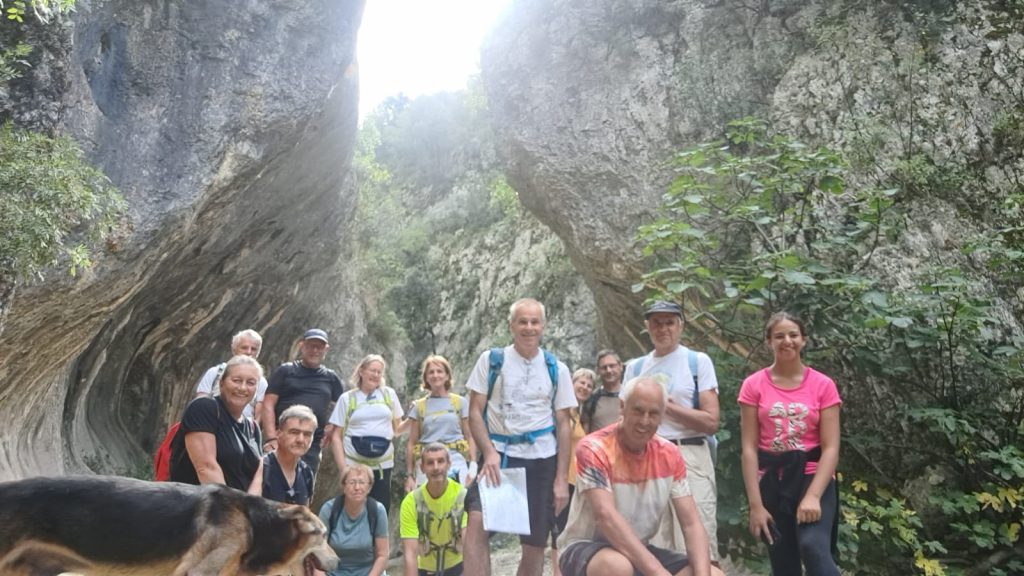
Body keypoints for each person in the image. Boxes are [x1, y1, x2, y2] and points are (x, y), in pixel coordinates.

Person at [557, 377, 724, 576]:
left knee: (714, 574)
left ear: (662, 416)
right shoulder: (594, 448)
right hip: (585, 547)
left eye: (653, 414)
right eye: (638, 411)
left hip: (640, 548)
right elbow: (605, 516)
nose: (644, 421)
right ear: (622, 407)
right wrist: (658, 572)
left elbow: (691, 524)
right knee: (616, 567)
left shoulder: (670, 454)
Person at [464, 298, 577, 576]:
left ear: (543, 326)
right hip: (500, 455)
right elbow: (475, 412)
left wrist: (561, 479)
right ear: (511, 325)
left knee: (535, 542)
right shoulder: (492, 361)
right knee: (477, 522)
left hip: (542, 460)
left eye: (534, 322)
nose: (529, 327)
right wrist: (489, 452)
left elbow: (564, 425)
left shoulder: (557, 368)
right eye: (522, 321)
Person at [739, 312, 841, 576]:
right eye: (779, 336)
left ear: (803, 340)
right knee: (784, 564)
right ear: (769, 342)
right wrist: (756, 506)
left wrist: (813, 496)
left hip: (813, 476)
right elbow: (749, 449)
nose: (787, 341)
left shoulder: (823, 385)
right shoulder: (753, 385)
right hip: (773, 479)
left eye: (793, 335)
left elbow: (831, 447)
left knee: (813, 547)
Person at [625, 301, 720, 561]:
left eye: (669, 322)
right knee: (652, 540)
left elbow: (711, 421)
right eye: (657, 323)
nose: (663, 328)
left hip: (689, 455)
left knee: (699, 537)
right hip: (646, 458)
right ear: (647, 327)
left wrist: (666, 406)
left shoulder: (696, 362)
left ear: (681, 326)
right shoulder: (635, 368)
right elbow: (624, 419)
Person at [170, 355, 263, 492]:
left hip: (241, 503)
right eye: (237, 380)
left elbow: (258, 477)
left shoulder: (253, 428)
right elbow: (206, 467)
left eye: (250, 383)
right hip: (199, 502)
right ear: (221, 383)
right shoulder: (204, 408)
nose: (243, 388)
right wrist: (231, 505)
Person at [262, 328, 345, 481]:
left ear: (326, 349)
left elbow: (343, 406)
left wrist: (332, 427)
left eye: (319, 347)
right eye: (311, 345)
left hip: (310, 444)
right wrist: (271, 438)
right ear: (302, 346)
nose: (315, 350)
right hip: (282, 440)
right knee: (270, 484)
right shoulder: (285, 371)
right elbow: (268, 404)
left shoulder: (331, 378)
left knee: (304, 486)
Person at [330, 354, 404, 514]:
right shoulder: (347, 398)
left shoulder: (389, 395)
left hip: (382, 466)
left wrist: (415, 415)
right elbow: (336, 436)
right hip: (354, 466)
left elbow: (398, 429)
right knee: (354, 510)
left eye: (379, 372)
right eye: (372, 370)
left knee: (380, 511)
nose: (376, 375)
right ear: (361, 371)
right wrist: (343, 469)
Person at [404, 355, 478, 492]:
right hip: (427, 462)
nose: (435, 375)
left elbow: (470, 436)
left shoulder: (460, 403)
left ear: (447, 375)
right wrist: (409, 475)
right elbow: (411, 443)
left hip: (455, 461)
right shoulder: (419, 406)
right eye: (431, 372)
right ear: (426, 377)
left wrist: (473, 465)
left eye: (439, 371)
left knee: (459, 501)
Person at [552, 368, 595, 576]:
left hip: (575, 480)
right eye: (581, 382)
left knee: (569, 530)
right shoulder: (561, 412)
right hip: (561, 478)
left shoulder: (577, 415)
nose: (585, 387)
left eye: (589, 385)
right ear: (571, 383)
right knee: (558, 530)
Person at [401, 443, 468, 576]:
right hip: (424, 570)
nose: (436, 467)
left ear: (449, 464)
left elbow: (469, 546)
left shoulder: (463, 496)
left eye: (441, 461)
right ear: (422, 468)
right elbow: (410, 554)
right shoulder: (411, 502)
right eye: (430, 463)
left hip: (458, 567)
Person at [318, 463, 389, 576]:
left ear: (369, 487)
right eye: (352, 482)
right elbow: (317, 553)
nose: (357, 487)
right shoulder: (329, 510)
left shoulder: (377, 510)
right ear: (344, 486)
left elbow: (382, 555)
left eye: (362, 482)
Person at [194, 329, 269, 421]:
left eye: (253, 349)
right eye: (244, 347)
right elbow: (201, 401)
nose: (249, 352)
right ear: (234, 349)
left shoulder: (261, 381)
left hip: (242, 426)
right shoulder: (214, 372)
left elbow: (259, 413)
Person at [258, 404, 316, 506]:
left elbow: (304, 513)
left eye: (307, 434)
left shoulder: (307, 473)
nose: (300, 440)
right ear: (278, 434)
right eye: (294, 432)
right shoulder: (262, 467)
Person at [581, 350, 624, 433]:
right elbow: (585, 434)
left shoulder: (631, 396)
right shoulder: (592, 399)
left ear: (621, 366)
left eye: (612, 366)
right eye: (604, 367)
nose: (608, 370)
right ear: (598, 371)